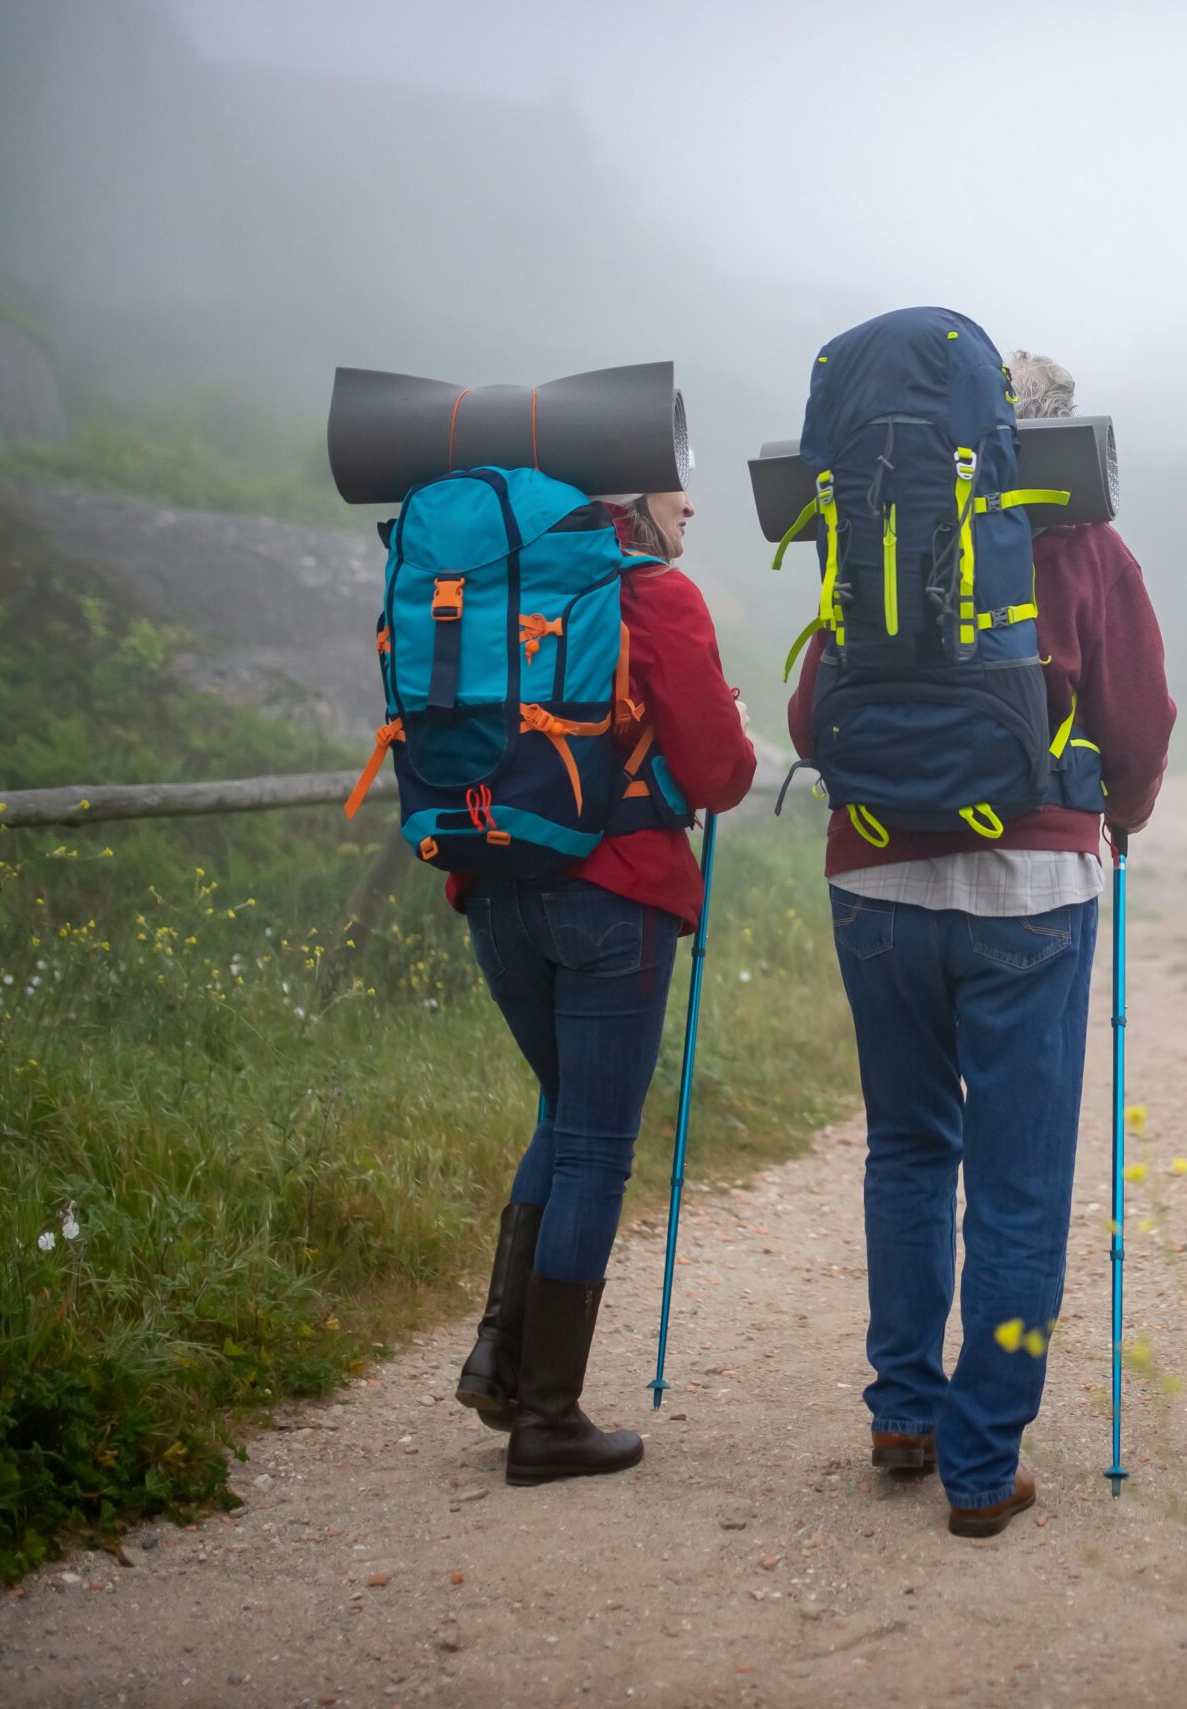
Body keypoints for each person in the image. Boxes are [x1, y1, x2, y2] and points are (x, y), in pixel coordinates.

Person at [786, 349, 1175, 1536]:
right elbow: (1138, 718)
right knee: (1018, 1177)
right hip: (1033, 889)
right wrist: (1120, 814)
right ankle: (981, 1459)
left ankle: (903, 1411)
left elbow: (808, 715)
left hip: (876, 879)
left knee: (907, 1147)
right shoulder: (1087, 545)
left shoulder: (876, 527)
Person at [452, 488, 756, 1485]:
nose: (690, 503)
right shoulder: (654, 594)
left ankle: (499, 1361)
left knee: (563, 1112)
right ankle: (547, 1418)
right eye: (674, 481)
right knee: (591, 1143)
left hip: (492, 891)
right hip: (612, 896)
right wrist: (733, 731)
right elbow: (717, 775)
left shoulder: (488, 584)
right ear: (630, 493)